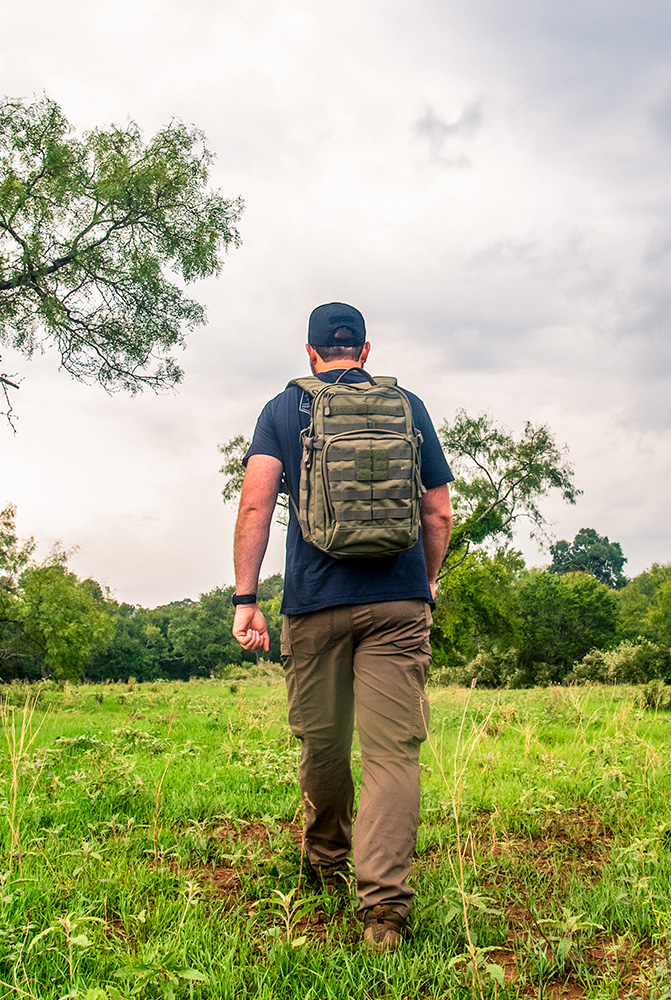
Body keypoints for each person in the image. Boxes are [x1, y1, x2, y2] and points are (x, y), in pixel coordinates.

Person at [231, 302, 453, 951]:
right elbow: (436, 510)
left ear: (309, 353)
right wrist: (427, 583)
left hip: (314, 603)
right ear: (365, 350)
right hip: (398, 603)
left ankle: (326, 860)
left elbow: (255, 501)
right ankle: (385, 913)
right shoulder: (407, 404)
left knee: (323, 743)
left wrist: (246, 597)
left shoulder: (283, 408)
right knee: (392, 754)